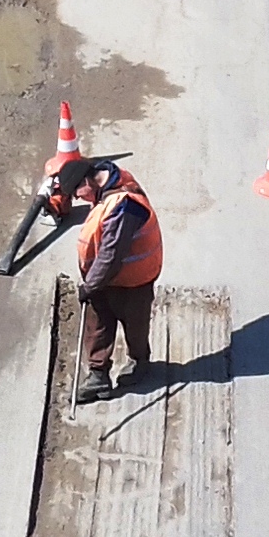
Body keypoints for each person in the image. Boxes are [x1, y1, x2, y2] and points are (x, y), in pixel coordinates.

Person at [65, 159, 163, 404]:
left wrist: (89, 286)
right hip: (104, 280)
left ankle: (139, 363)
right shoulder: (106, 187)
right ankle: (98, 376)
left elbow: (111, 254)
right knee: (98, 325)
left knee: (135, 325)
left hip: (133, 282)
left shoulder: (123, 206)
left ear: (88, 181)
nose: (78, 199)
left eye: (77, 193)